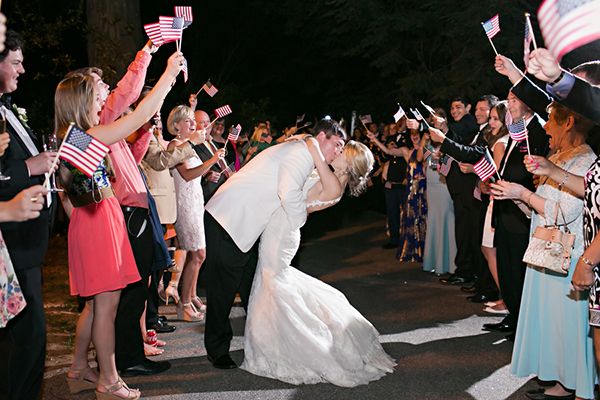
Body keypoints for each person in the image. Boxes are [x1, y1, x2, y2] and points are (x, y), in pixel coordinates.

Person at [55, 51, 182, 399]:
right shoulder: (91, 135)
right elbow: (140, 113)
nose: (103, 101)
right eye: (97, 96)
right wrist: (169, 74)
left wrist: (81, 226)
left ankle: (79, 368)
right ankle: (108, 381)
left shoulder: (74, 137)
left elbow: (68, 198)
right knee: (106, 308)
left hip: (90, 222)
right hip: (99, 226)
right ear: (82, 101)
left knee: (95, 306)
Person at [241, 138, 395, 386]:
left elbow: (314, 153)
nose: (337, 151)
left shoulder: (333, 183)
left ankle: (282, 344)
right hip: (283, 228)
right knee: (273, 280)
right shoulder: (335, 180)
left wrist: (311, 141)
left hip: (282, 233)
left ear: (349, 163)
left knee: (272, 281)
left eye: (342, 150)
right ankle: (270, 340)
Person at [203, 118, 346, 369]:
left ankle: (264, 344)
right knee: (223, 290)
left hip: (247, 225)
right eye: (337, 144)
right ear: (321, 136)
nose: (338, 151)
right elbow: (289, 195)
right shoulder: (301, 154)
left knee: (253, 288)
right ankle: (217, 349)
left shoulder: (303, 152)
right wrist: (297, 222)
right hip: (230, 220)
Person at [490, 100, 596, 399]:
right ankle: (559, 381)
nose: (545, 127)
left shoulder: (585, 160)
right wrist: (518, 198)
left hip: (567, 256)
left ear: (568, 123)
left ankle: (572, 384)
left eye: (550, 121)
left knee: (566, 326)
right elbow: (540, 210)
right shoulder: (559, 156)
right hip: (545, 249)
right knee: (552, 324)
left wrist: (523, 192)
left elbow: (567, 212)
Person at [0, 30, 57, 400]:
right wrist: (30, 167)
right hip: (11, 245)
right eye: (16, 63)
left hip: (30, 245)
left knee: (29, 338)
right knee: (27, 337)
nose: (23, 70)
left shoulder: (7, 108)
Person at [166, 105, 225, 321]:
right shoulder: (176, 145)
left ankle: (190, 296)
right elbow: (188, 175)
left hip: (195, 200)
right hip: (185, 204)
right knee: (198, 253)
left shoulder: (188, 145)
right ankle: (185, 304)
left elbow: (196, 175)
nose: (193, 124)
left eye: (193, 120)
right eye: (189, 121)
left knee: (197, 254)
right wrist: (212, 161)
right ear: (177, 125)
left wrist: (209, 169)